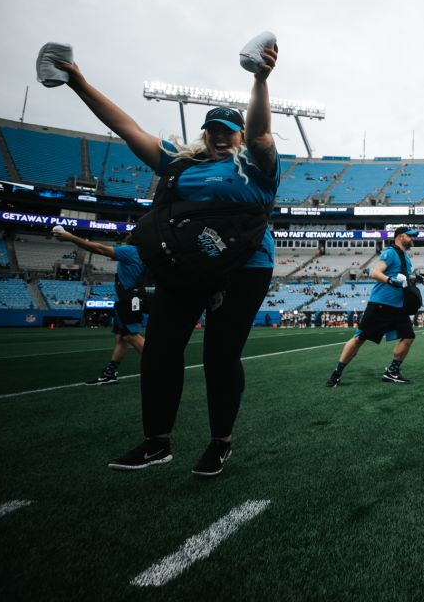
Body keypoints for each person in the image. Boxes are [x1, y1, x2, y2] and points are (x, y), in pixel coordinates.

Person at [52, 42, 281, 478]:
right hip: (186, 264)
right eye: (212, 128)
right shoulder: (180, 163)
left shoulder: (255, 164)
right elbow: (127, 128)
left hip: (243, 267)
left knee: (220, 354)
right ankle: (157, 442)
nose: (219, 135)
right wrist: (79, 84)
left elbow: (261, 134)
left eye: (227, 130)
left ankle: (220, 443)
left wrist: (260, 80)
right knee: (159, 350)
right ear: (204, 132)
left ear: (238, 135)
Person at [50, 225, 147, 386]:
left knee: (130, 335)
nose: (128, 234)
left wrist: (71, 237)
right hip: (133, 298)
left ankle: (160, 366)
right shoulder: (144, 253)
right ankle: (110, 373)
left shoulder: (130, 250)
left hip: (127, 300)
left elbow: (99, 249)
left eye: (131, 233)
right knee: (121, 338)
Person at [326, 227, 420, 387]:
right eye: (410, 236)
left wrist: (416, 279)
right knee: (359, 339)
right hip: (381, 304)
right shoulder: (390, 252)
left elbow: (403, 280)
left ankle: (392, 372)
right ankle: (337, 373)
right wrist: (390, 281)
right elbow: (375, 273)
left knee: (409, 336)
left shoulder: (406, 257)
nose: (413, 239)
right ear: (400, 236)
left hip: (398, 307)